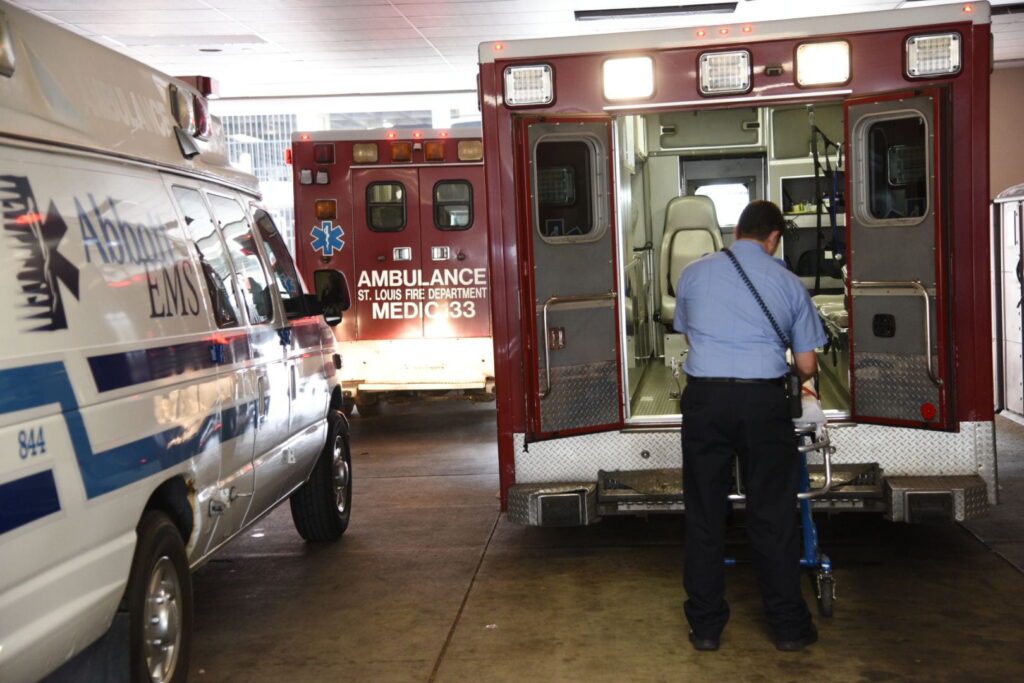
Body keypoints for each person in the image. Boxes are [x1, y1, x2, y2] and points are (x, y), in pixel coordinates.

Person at [673, 199, 826, 652]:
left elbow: (688, 333)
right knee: (772, 516)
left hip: (705, 400)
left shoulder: (694, 273)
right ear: (774, 237)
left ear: (736, 231)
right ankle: (788, 629)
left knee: (704, 514)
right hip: (762, 403)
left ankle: (705, 628)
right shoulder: (788, 282)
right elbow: (806, 364)